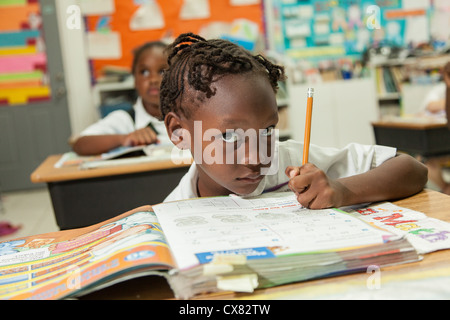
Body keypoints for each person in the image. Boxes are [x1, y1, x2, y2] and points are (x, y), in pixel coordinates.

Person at [160, 32, 428, 208]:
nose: (256, 157)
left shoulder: (291, 163)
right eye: (231, 136)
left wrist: (341, 190)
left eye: (267, 130)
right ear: (179, 132)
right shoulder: (174, 210)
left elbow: (412, 170)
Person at [72, 41, 169, 155]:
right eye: (144, 72)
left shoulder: (189, 116)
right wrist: (125, 138)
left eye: (162, 71)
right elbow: (80, 144)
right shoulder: (126, 120)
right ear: (135, 80)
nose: (153, 79)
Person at [420, 62, 450, 195]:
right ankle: (446, 188)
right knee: (426, 159)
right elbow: (431, 106)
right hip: (439, 137)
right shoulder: (439, 90)